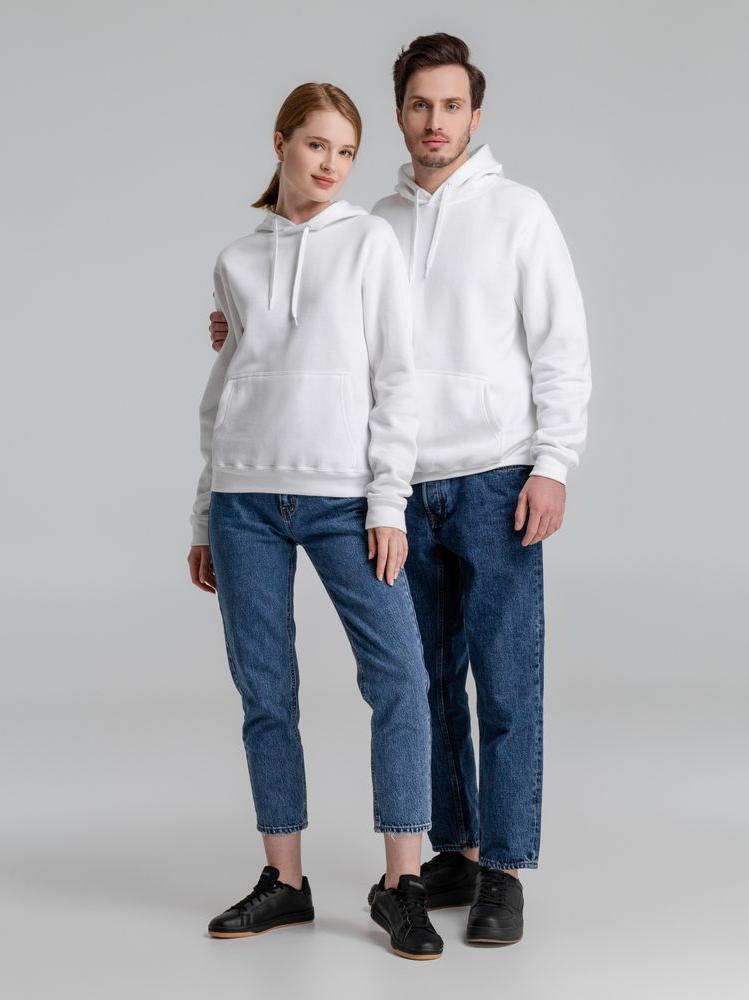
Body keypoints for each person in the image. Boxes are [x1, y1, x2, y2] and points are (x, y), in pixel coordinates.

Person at [209, 34, 592, 947]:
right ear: (400, 114)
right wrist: (245, 329)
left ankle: (504, 870)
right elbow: (325, 340)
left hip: (496, 473)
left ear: (474, 114)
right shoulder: (374, 220)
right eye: (420, 105)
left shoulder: (519, 212)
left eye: (452, 105)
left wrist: (553, 462)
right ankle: (453, 847)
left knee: (506, 685)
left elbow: (561, 345)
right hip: (400, 485)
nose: (435, 121)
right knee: (429, 683)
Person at [187, 82, 444, 960]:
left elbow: (398, 380)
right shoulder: (236, 260)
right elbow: (223, 394)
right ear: (281, 142)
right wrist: (202, 515)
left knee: (399, 677)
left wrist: (387, 502)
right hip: (244, 502)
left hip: (343, 499)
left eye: (346, 151)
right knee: (266, 691)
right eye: (316, 145)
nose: (331, 164)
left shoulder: (370, 243)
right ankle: (285, 882)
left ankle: (401, 883)